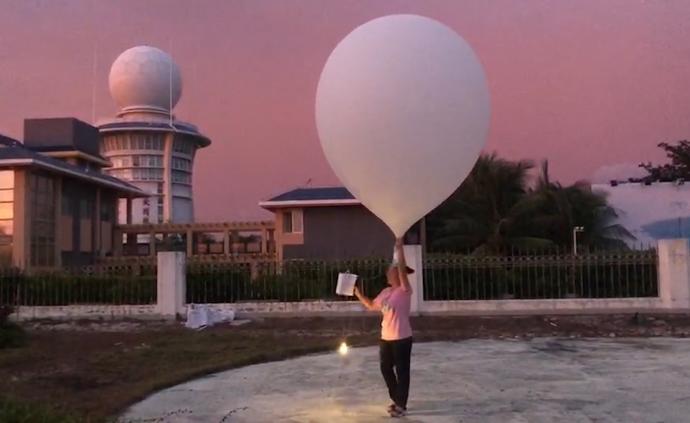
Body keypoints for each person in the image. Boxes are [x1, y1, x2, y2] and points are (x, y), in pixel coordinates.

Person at [354, 238, 413, 418]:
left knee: (402, 371)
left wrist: (399, 248)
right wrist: (357, 293)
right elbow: (372, 305)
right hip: (386, 337)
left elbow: (402, 269)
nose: (387, 272)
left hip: (402, 338)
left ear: (396, 273)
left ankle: (400, 405)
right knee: (385, 368)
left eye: (390, 270)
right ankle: (397, 399)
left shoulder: (404, 290)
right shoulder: (386, 293)